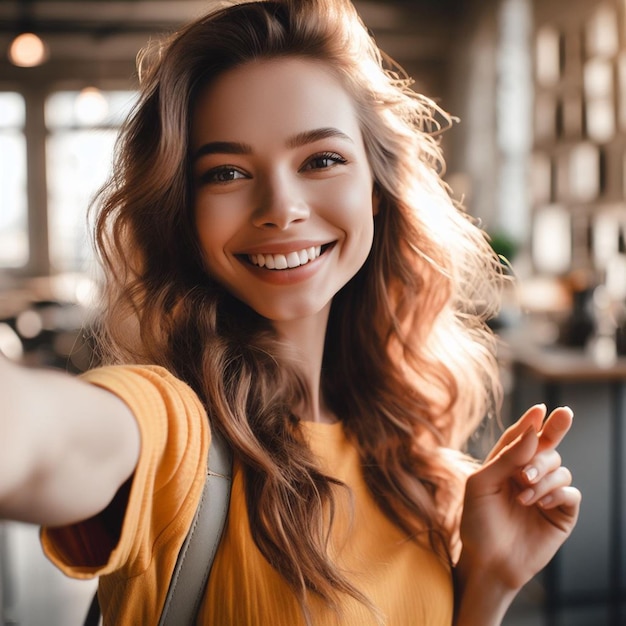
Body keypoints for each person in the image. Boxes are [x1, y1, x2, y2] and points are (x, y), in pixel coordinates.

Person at [0, 0, 581, 624]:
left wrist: (488, 585)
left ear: (378, 190)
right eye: (226, 172)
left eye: (321, 160)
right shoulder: (177, 429)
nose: (281, 207)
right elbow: (44, 438)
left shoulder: (406, 447)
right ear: (183, 215)